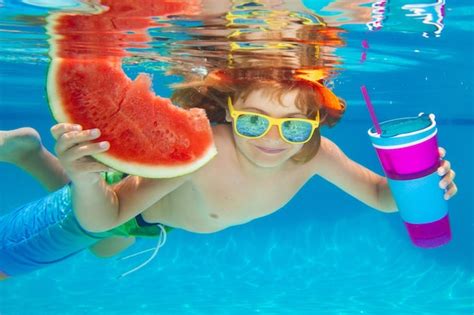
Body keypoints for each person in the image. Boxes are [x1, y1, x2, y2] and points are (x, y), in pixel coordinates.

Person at [0, 67, 458, 280]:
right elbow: (108, 213)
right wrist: (86, 180)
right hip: (129, 204)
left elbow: (380, 194)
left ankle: (28, 153)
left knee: (106, 249)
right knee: (102, 242)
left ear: (316, 124)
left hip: (160, 220)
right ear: (229, 111)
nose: (273, 141)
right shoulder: (204, 150)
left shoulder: (314, 154)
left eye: (295, 126)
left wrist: (422, 185)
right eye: (254, 121)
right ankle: (27, 153)